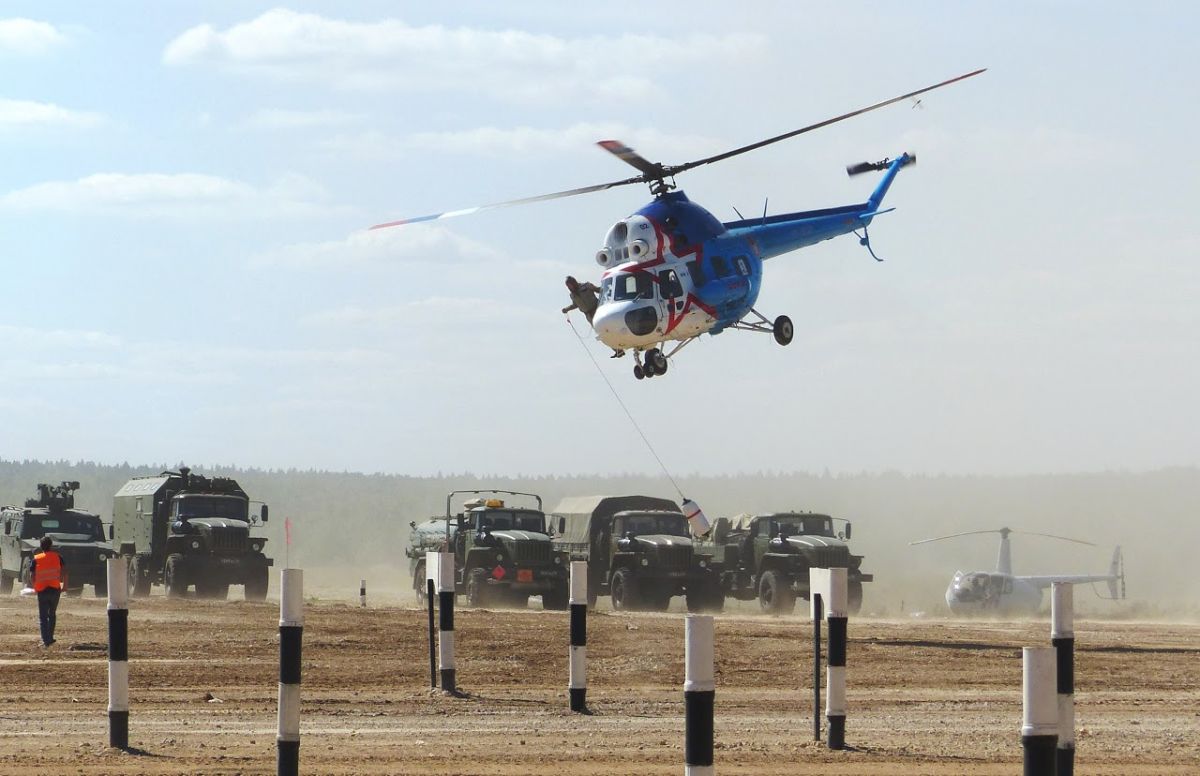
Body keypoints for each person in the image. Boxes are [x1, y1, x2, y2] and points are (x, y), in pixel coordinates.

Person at [561, 275, 625, 358]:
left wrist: (609, 289)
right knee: (602, 334)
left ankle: (622, 342)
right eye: (568, 286)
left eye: (570, 285)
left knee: (609, 328)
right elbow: (575, 304)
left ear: (574, 282)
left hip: (597, 310)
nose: (569, 287)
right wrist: (566, 309)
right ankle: (618, 350)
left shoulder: (586, 286)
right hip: (589, 315)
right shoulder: (572, 295)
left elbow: (599, 290)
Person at [30, 536, 65, 647]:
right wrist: (64, 585)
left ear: (41, 546)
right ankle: (50, 637)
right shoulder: (58, 557)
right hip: (55, 589)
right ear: (51, 545)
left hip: (42, 590)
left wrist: (35, 586)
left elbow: (32, 575)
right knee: (52, 614)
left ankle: (46, 639)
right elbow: (64, 571)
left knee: (43, 616)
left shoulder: (36, 558)